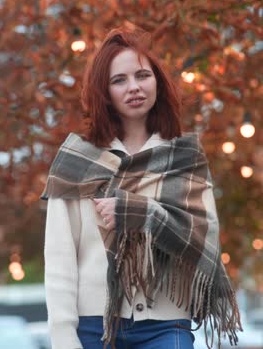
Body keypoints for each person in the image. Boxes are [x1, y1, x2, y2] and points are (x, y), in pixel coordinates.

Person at [41, 26, 242, 349]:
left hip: (165, 325)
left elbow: (205, 238)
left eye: (142, 75)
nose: (133, 87)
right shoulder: (76, 161)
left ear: (157, 83)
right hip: (94, 327)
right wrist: (63, 335)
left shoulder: (185, 158)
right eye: (118, 80)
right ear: (103, 92)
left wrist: (142, 213)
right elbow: (60, 258)